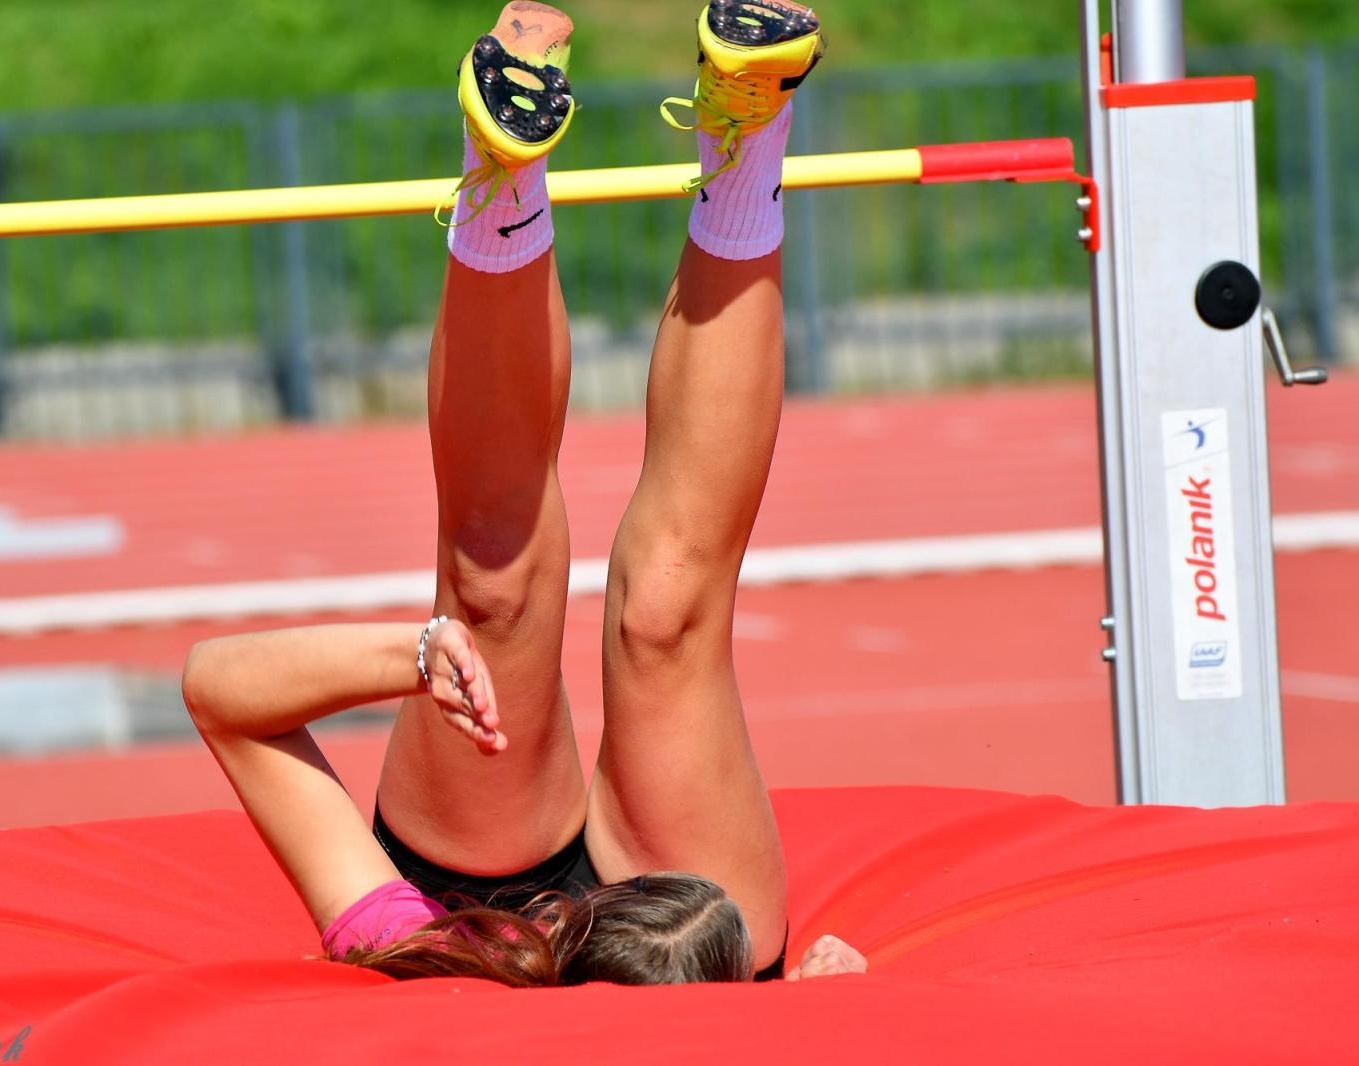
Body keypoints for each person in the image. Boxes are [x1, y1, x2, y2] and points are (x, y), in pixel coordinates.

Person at [182, 0, 867, 986]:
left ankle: (502, 176)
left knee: (489, 595)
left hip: (478, 919)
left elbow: (217, 695)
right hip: (687, 953)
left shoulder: (409, 944)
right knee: (666, 614)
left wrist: (419, 656)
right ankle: (748, 135)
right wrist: (834, 1012)